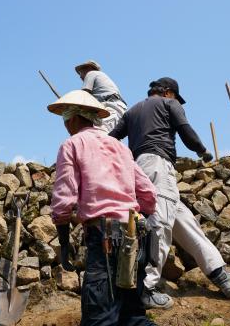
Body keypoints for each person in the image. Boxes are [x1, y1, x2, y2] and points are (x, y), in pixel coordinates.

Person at [110, 77, 230, 309]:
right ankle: (146, 288)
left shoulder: (132, 111)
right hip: (158, 166)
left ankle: (220, 274)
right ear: (168, 92)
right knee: (159, 223)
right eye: (175, 97)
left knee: (184, 220)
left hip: (138, 169)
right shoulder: (169, 104)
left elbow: (111, 139)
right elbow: (185, 131)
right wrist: (203, 151)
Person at [48, 89, 158, 326]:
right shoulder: (120, 147)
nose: (65, 125)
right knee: (132, 316)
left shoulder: (72, 144)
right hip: (134, 237)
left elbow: (64, 199)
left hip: (104, 239)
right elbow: (148, 194)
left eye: (65, 119)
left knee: (100, 318)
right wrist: (139, 222)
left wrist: (64, 242)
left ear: (75, 118)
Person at [75, 60, 127, 133]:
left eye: (81, 71)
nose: (80, 76)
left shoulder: (91, 73)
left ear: (89, 68)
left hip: (110, 106)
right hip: (115, 106)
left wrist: (72, 107)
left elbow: (85, 95)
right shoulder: (101, 78)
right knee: (110, 137)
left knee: (101, 132)